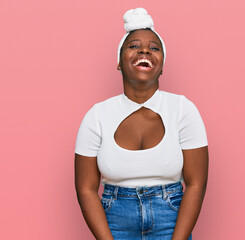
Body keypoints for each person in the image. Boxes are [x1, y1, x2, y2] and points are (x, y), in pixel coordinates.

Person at [74, 8, 209, 240]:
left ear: (162, 65)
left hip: (172, 222)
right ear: (119, 61)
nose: (144, 50)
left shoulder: (183, 110)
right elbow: (85, 189)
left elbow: (196, 184)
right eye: (134, 45)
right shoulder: (97, 116)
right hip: (114, 223)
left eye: (154, 48)